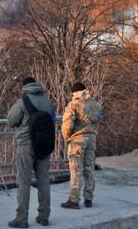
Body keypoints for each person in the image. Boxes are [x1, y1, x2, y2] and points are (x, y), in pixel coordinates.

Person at [6, 77, 56, 228]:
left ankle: (21, 219)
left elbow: (11, 121)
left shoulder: (22, 102)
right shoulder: (48, 102)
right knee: (44, 182)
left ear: (24, 87)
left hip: (26, 146)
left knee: (24, 183)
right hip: (44, 145)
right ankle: (44, 217)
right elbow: (52, 121)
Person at [61, 81, 102, 209]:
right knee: (89, 169)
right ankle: (88, 199)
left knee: (76, 171)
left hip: (77, 141)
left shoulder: (73, 105)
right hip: (91, 139)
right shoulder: (95, 104)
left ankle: (74, 200)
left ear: (74, 92)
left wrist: (67, 137)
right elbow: (97, 119)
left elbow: (67, 125)